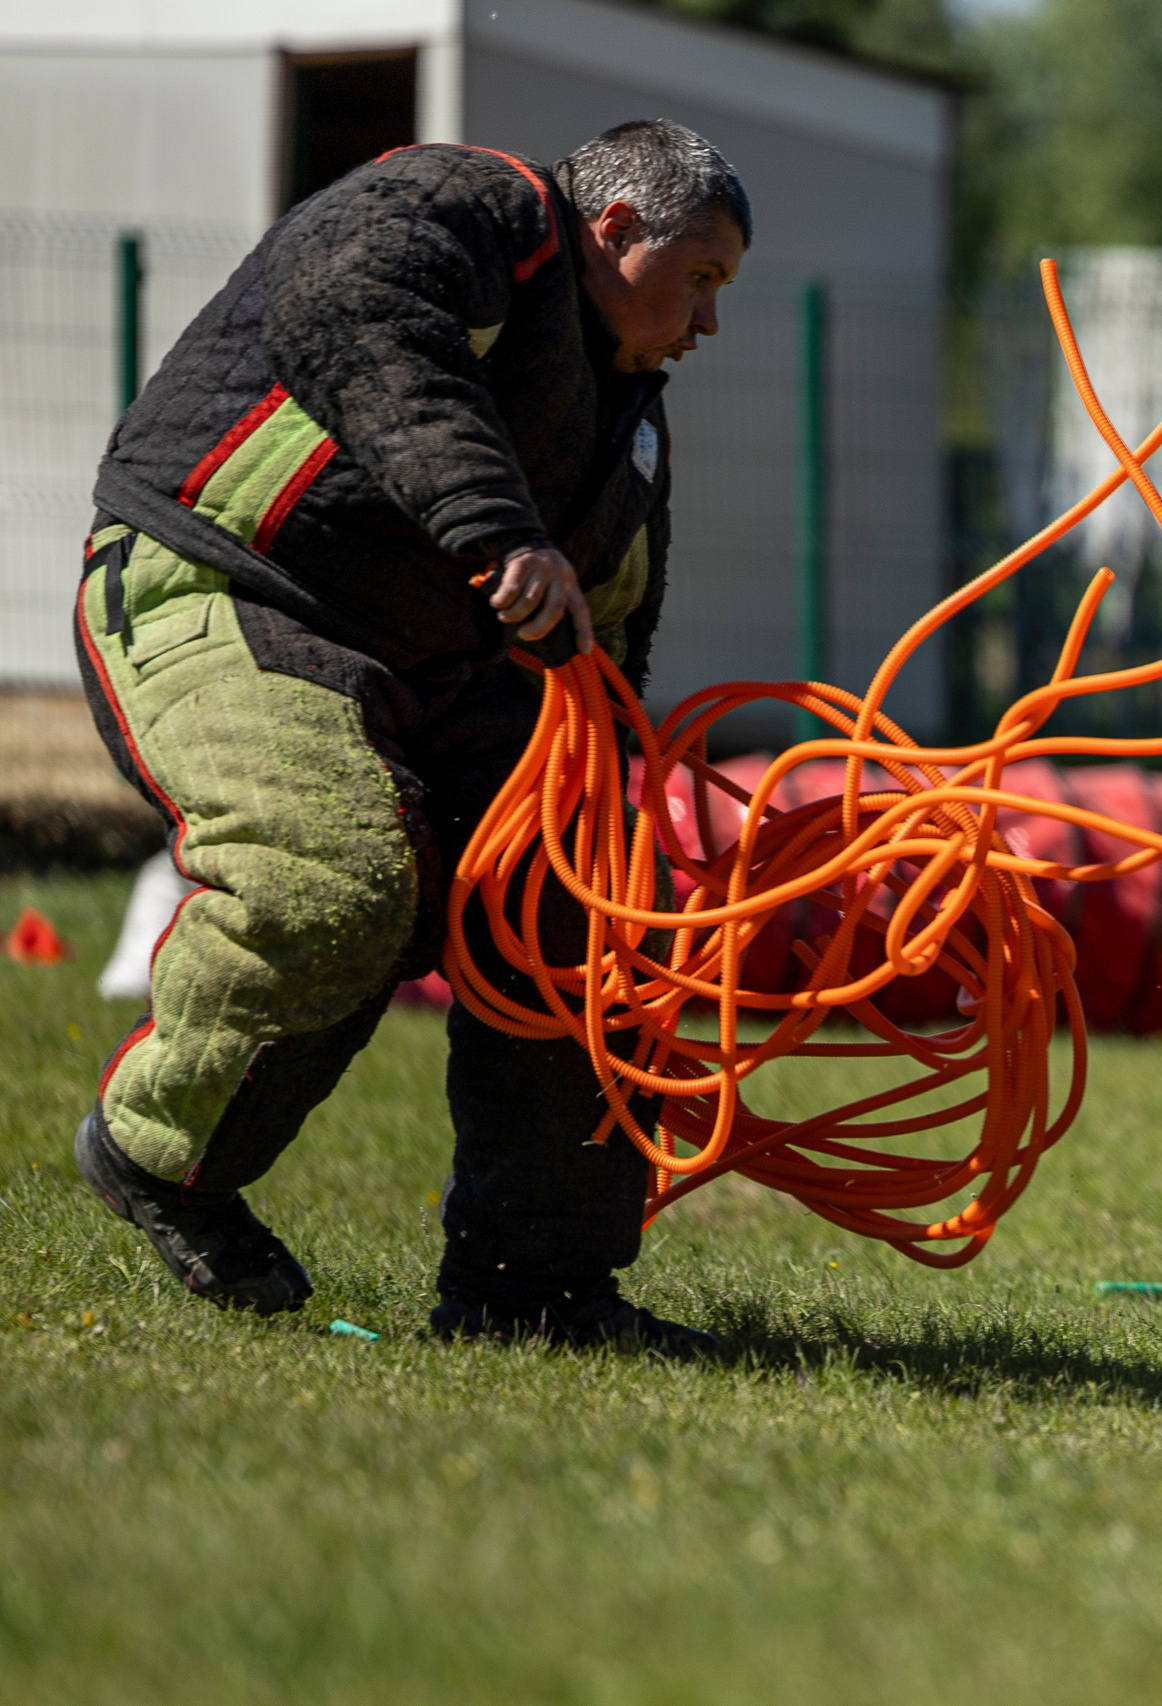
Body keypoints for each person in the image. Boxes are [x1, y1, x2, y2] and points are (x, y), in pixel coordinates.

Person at [70, 120, 749, 1356]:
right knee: (336, 874)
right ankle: (159, 1151)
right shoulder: (477, 206)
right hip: (222, 588)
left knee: (598, 918)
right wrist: (498, 527)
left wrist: (621, 803)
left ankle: (531, 1288)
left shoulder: (627, 419)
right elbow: (350, 307)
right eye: (700, 277)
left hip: (435, 676)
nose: (708, 321)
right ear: (614, 230)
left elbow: (607, 646)